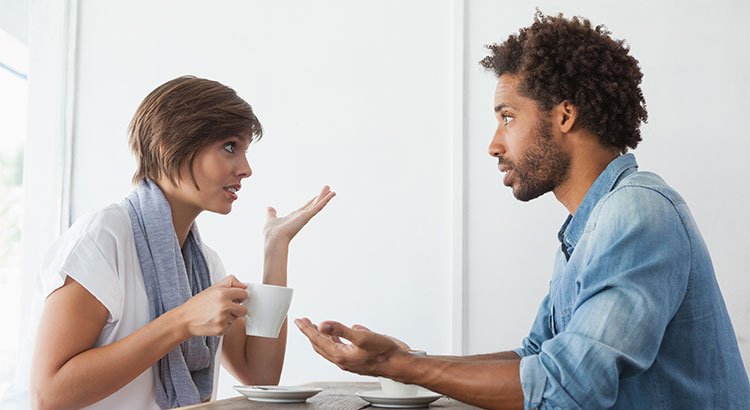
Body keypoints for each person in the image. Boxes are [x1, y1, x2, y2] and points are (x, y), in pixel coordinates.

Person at [295, 12, 750, 409]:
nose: (494, 145)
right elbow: (535, 357)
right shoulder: (586, 228)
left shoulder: (637, 213)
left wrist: (398, 366)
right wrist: (404, 360)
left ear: (565, 116)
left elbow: (567, 388)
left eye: (507, 117)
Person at [11, 76, 335, 409]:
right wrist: (181, 322)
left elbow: (260, 376)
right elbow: (48, 395)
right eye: (230, 147)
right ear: (169, 146)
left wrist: (276, 248)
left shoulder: (205, 264)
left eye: (245, 151)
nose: (246, 169)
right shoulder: (104, 238)